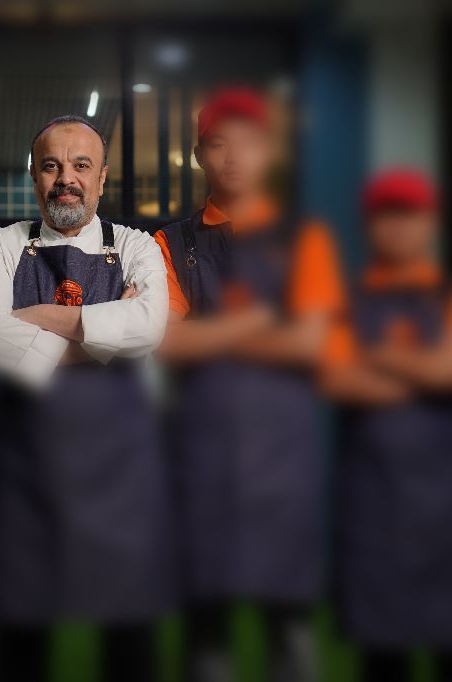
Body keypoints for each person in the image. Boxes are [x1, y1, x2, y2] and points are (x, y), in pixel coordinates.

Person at [0, 115, 172, 682]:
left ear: (102, 178)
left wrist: (35, 318)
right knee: (22, 641)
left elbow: (149, 327)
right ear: (34, 176)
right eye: (52, 166)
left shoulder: (137, 245)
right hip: (26, 472)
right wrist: (106, 337)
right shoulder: (0, 245)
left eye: (82, 165)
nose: (66, 179)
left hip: (120, 473)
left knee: (130, 644)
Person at [154, 88, 346, 682]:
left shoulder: (305, 240)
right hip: (201, 457)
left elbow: (311, 344)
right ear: (198, 155)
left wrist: (212, 335)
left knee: (290, 629)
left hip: (283, 462)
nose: (233, 157)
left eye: (248, 143)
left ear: (269, 151)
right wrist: (263, 320)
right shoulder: (168, 243)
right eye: (218, 143)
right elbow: (166, 344)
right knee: (205, 631)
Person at [320, 168, 452, 682]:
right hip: (375, 516)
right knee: (383, 659)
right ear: (369, 225)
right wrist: (429, 369)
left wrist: (379, 356)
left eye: (410, 214)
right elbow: (338, 380)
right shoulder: (344, 303)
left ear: (430, 223)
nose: (398, 226)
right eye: (386, 215)